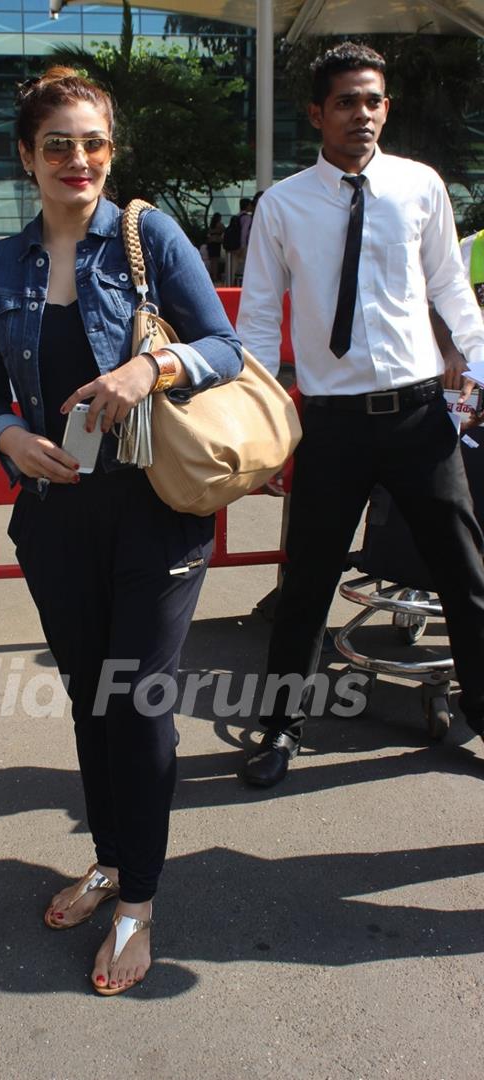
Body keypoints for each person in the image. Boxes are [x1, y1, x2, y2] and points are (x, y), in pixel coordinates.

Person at [0, 67, 242, 994]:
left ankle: (138, 906)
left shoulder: (147, 235)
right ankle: (112, 859)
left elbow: (228, 348)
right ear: (25, 157)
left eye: (94, 143)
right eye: (58, 144)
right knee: (91, 699)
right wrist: (8, 436)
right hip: (54, 519)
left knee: (142, 705)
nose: (78, 160)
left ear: (110, 151)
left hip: (155, 515)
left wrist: (149, 370)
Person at [236, 42, 484, 788]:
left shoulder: (420, 188)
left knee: (465, 578)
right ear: (317, 113)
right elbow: (253, 324)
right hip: (332, 425)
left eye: (373, 100)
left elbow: (451, 290)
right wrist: (260, 427)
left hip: (418, 418)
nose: (363, 114)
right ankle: (279, 728)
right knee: (307, 580)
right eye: (346, 101)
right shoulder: (283, 205)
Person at [205, 211, 225, 282]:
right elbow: (224, 230)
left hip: (211, 243)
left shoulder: (211, 225)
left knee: (212, 261)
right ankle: (215, 276)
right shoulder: (220, 224)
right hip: (216, 243)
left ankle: (211, 275)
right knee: (215, 260)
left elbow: (208, 233)